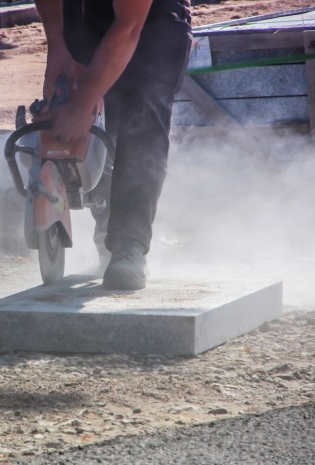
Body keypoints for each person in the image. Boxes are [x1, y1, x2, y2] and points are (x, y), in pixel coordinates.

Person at [33, 0, 192, 290]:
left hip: (152, 22)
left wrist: (83, 104)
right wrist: (56, 47)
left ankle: (128, 247)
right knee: (93, 120)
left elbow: (129, 27)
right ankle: (107, 230)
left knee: (142, 117)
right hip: (83, 13)